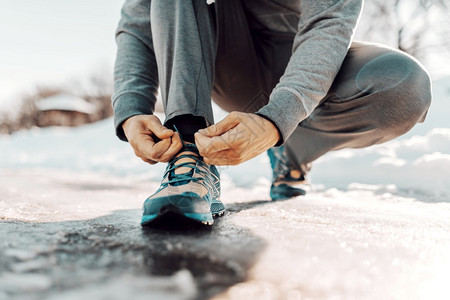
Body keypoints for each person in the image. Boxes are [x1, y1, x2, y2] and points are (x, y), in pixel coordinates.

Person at [112, 0, 431, 226]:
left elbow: (330, 20)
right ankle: (190, 150)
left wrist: (278, 118)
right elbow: (138, 21)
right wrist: (130, 109)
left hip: (311, 56)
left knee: (405, 85)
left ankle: (291, 150)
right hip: (227, 62)